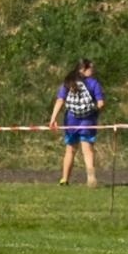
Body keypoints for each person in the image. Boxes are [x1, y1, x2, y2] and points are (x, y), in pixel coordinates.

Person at [47, 58, 104, 187]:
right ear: (84, 69)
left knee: (70, 150)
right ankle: (91, 178)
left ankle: (64, 179)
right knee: (87, 150)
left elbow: (60, 100)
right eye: (91, 68)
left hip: (71, 119)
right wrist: (93, 109)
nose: (93, 70)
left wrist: (53, 118)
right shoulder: (94, 83)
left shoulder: (68, 82)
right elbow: (101, 103)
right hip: (88, 119)